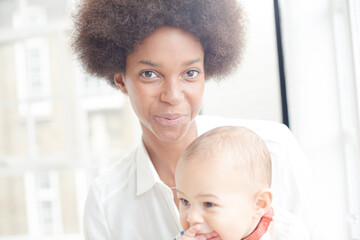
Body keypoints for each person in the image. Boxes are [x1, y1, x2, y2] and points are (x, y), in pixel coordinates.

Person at [71, 0, 313, 239]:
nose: (173, 96)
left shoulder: (274, 149)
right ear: (121, 80)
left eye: (190, 73)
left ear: (206, 72)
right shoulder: (107, 202)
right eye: (149, 74)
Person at [174, 126, 309, 240]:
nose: (192, 217)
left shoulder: (287, 234)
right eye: (185, 201)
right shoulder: (191, 235)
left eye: (209, 204)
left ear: (259, 203)